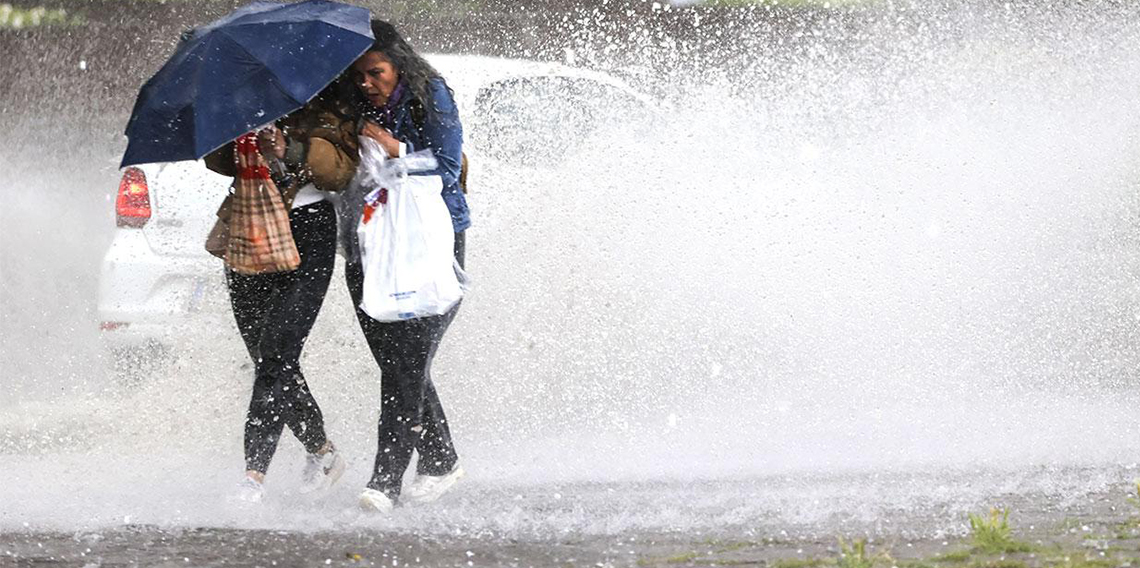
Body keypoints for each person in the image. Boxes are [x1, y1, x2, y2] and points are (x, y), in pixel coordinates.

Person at [204, 84, 359, 502]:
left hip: (310, 231)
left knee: (277, 354)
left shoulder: (332, 100)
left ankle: (253, 476)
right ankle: (323, 452)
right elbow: (214, 160)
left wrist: (288, 147)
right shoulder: (243, 98)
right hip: (249, 224)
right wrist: (234, 130)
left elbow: (342, 172)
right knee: (267, 358)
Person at [345, 20, 470, 513]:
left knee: (407, 360)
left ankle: (385, 480)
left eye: (375, 72)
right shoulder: (350, 107)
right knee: (397, 362)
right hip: (370, 242)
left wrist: (393, 149)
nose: (367, 84)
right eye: (359, 76)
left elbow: (448, 163)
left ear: (399, 64)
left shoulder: (430, 93)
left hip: (430, 240)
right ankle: (440, 459)